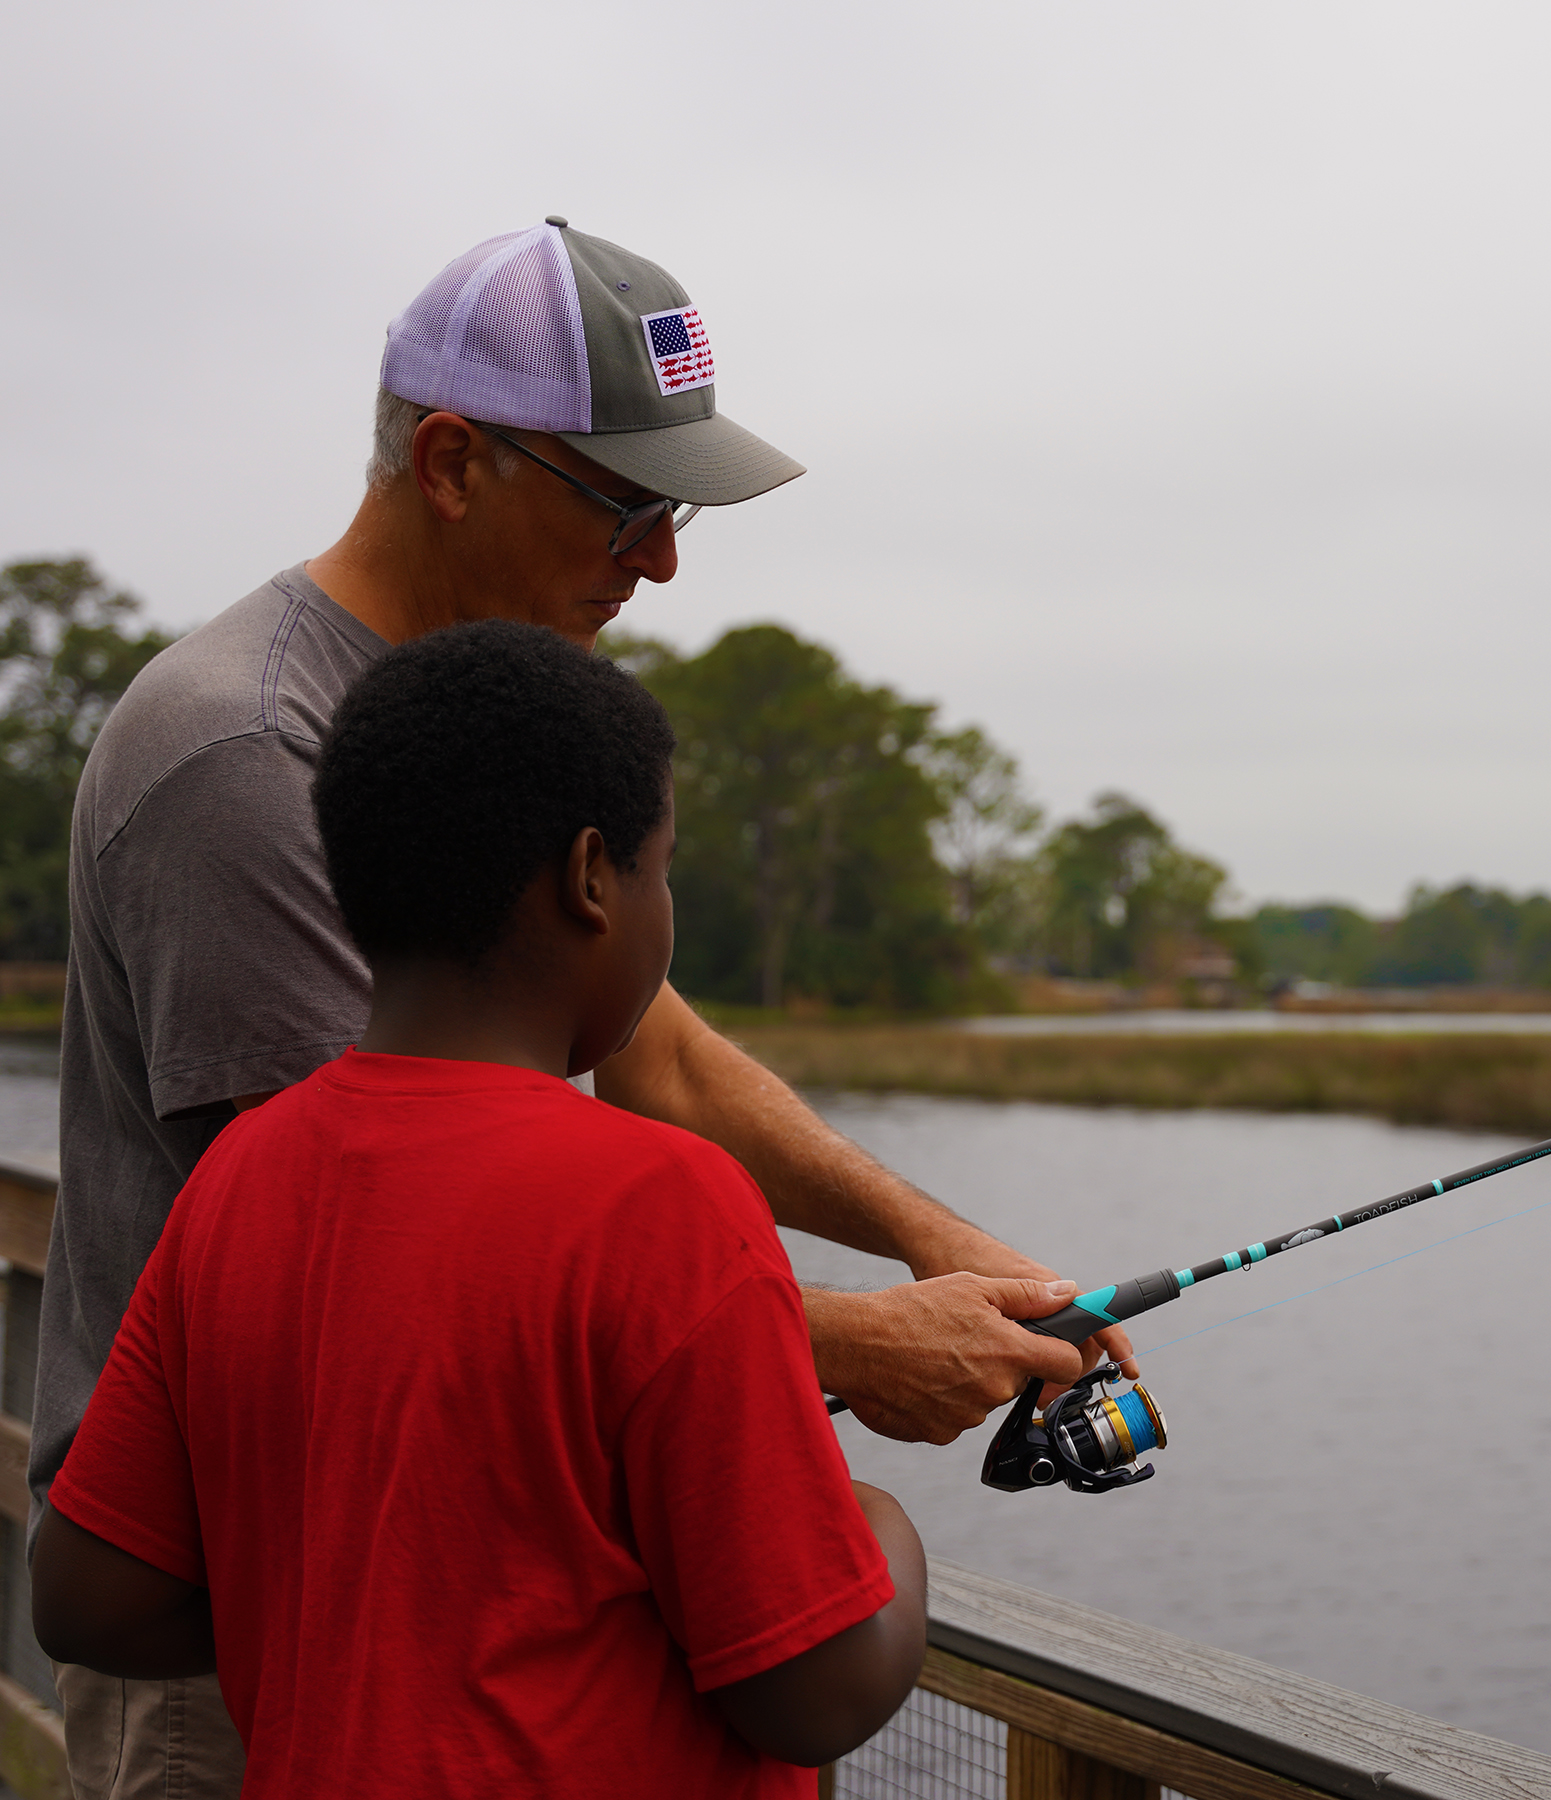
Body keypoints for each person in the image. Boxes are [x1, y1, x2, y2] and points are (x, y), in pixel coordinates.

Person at [35, 218, 1128, 1793]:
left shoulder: (507, 745)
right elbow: (385, 1264)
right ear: (457, 461)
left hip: (466, 1588)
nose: (666, 561)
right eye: (628, 507)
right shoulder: (250, 753)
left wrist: (938, 1249)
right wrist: (808, 1352)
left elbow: (656, 1059)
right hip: (262, 1629)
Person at [32, 620, 927, 1796]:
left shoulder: (237, 1179)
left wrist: (377, 1615)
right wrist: (877, 1529)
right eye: (666, 869)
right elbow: (814, 1691)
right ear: (591, 875)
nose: (665, 913)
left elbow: (89, 1594)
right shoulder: (668, 1201)